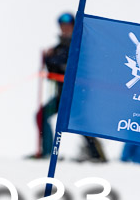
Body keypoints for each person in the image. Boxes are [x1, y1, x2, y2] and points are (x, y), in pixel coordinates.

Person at [34, 12, 107, 162]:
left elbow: (71, 64)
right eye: (62, 26)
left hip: (77, 95)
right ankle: (47, 152)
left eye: (68, 26)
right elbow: (54, 69)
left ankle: (97, 155)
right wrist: (48, 57)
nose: (65, 29)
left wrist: (53, 58)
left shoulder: (79, 45)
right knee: (42, 115)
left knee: (80, 123)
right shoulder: (59, 47)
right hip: (62, 95)